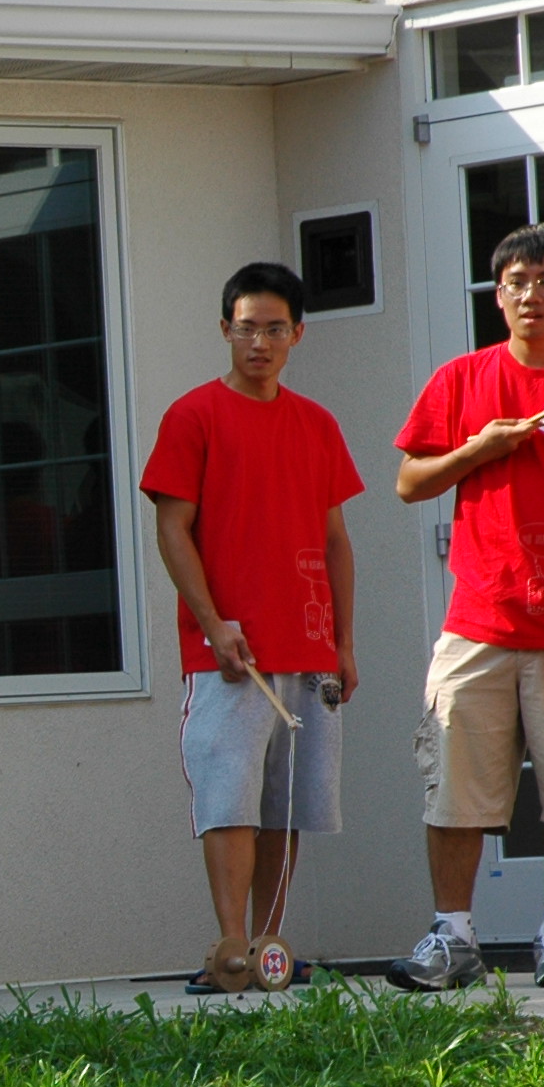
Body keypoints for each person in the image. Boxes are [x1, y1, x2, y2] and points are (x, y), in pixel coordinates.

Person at [389, 223, 544, 991]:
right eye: (517, 283)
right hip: (479, 621)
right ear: (498, 296)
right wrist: (478, 449)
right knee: (454, 782)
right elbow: (409, 482)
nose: (532, 295)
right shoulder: (462, 380)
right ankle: (452, 936)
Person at [139, 261, 363, 990]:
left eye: (273, 329)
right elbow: (172, 529)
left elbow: (336, 540)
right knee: (228, 799)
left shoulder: (317, 423)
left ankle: (270, 946)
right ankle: (231, 944)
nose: (258, 342)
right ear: (224, 330)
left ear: (298, 334)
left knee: (285, 805)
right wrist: (213, 624)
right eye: (245, 329)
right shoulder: (194, 415)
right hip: (230, 653)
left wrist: (343, 643)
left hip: (307, 644)